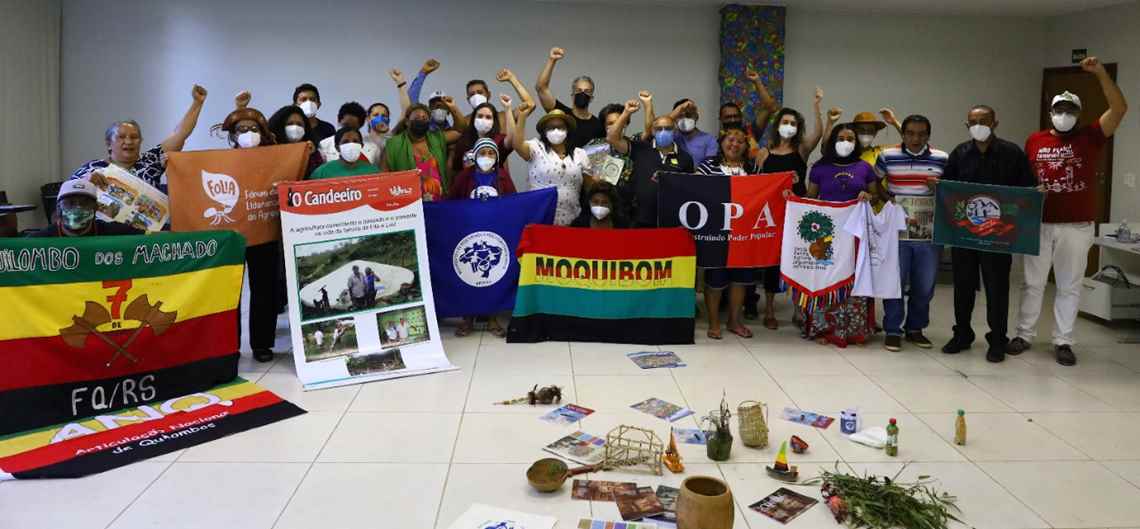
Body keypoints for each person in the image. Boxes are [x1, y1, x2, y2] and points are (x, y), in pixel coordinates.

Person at [1012, 57, 1128, 366]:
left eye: (1070, 111)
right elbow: (1024, 177)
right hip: (1038, 222)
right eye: (1059, 110)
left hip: (1076, 225)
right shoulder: (1034, 140)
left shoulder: (1091, 137)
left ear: (1078, 114)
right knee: (1032, 282)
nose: (1064, 115)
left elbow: (1119, 109)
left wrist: (1101, 73)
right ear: (1051, 113)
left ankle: (1063, 340)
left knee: (1069, 285)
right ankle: (1024, 334)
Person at [941, 105, 1037, 363]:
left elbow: (1027, 189)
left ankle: (997, 340)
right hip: (965, 234)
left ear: (995, 123)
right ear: (966, 125)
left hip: (998, 236)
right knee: (963, 286)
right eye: (973, 122)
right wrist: (937, 186)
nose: (978, 126)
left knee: (997, 288)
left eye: (983, 121)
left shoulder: (1012, 153)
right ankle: (962, 334)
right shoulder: (960, 153)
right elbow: (947, 188)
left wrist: (1034, 195)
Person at [874, 115, 949, 352]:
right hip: (897, 232)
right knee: (894, 281)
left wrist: (940, 188)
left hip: (929, 233)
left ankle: (915, 328)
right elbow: (875, 182)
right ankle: (893, 330)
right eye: (910, 133)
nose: (916, 138)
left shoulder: (942, 158)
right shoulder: (887, 156)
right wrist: (889, 199)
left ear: (928, 135)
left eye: (921, 134)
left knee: (925, 284)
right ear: (903, 134)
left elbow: (952, 192)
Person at [800, 124, 878, 346]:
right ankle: (824, 329)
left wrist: (868, 196)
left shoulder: (864, 167)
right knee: (827, 278)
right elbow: (811, 198)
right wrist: (793, 199)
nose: (846, 142)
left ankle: (855, 330)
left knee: (854, 280)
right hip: (826, 234)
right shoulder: (819, 168)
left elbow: (874, 195)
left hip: (856, 234)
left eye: (850, 138)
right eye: (841, 138)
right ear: (832, 142)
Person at [217, 107, 284, 363]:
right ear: (233, 136)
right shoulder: (221, 160)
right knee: (228, 292)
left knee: (264, 289)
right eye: (241, 129)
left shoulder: (273, 158)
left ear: (263, 133)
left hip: (264, 230)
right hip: (231, 235)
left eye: (253, 129)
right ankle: (228, 346)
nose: (248, 133)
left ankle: (262, 344)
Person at [72, 85, 208, 192]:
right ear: (109, 143)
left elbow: (180, 133)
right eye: (121, 137)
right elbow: (66, 195)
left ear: (141, 141)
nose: (128, 141)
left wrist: (197, 103)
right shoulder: (93, 167)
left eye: (134, 137)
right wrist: (86, 182)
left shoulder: (150, 160)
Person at [696, 125, 762, 338]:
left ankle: (734, 321)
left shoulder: (752, 168)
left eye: (740, 141)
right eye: (730, 140)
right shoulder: (707, 166)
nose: (735, 144)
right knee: (715, 279)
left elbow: (764, 192)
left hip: (743, 233)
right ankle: (714, 323)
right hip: (715, 232)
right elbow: (691, 188)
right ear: (721, 143)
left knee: (739, 279)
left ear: (746, 146)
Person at [606, 99, 695, 228]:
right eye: (659, 129)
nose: (663, 132)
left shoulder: (685, 158)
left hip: (671, 221)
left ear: (675, 130)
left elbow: (688, 191)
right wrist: (626, 112)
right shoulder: (640, 148)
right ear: (653, 131)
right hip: (639, 220)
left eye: (668, 128)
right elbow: (612, 138)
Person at [512, 104, 592, 226]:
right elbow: (517, 145)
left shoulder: (580, 154)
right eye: (551, 127)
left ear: (567, 130)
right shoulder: (536, 147)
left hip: (571, 220)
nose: (556, 131)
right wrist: (522, 117)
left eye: (560, 127)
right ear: (544, 132)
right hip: (539, 218)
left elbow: (590, 188)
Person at [535, 47, 606, 149]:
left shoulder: (598, 126)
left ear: (591, 98)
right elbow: (541, 88)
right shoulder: (562, 114)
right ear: (572, 95)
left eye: (587, 91)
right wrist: (552, 60)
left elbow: (599, 153)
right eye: (579, 90)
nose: (582, 94)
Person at [27, 180, 143, 237]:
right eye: (70, 203)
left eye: (85, 203)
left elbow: (150, 240)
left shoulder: (115, 232)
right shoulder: (39, 240)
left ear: (96, 208)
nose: (77, 208)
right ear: (58, 209)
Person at [383, 104, 448, 200]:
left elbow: (459, 131)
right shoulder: (393, 144)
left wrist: (451, 107)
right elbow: (383, 177)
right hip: (409, 205)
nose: (421, 120)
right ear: (407, 122)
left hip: (440, 203)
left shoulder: (437, 139)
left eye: (424, 118)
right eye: (417, 118)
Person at [449, 94, 515, 181]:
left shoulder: (499, 140)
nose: (483, 120)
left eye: (488, 117)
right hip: (470, 186)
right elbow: (456, 170)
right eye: (480, 116)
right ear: (473, 119)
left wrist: (508, 108)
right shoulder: (463, 141)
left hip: (494, 185)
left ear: (494, 121)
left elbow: (512, 138)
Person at [720, 69, 781, 158]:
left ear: (741, 117)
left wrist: (757, 81)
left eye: (736, 116)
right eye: (728, 117)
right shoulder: (715, 143)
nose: (733, 120)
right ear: (721, 119)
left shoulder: (750, 132)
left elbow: (770, 108)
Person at [450, 137, 517, 200]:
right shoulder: (464, 176)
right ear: (475, 156)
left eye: (491, 153)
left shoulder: (503, 176)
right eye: (482, 153)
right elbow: (451, 202)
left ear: (496, 157)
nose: (486, 156)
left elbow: (513, 200)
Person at [267, 105, 323, 177]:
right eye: (290, 124)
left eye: (299, 124)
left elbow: (319, 176)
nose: (295, 127)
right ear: (280, 127)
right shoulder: (270, 150)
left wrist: (310, 156)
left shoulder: (313, 152)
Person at [311, 127, 381, 180]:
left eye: (355, 141)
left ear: (362, 146)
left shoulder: (373, 172)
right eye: (345, 142)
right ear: (337, 147)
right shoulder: (321, 173)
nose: (351, 145)